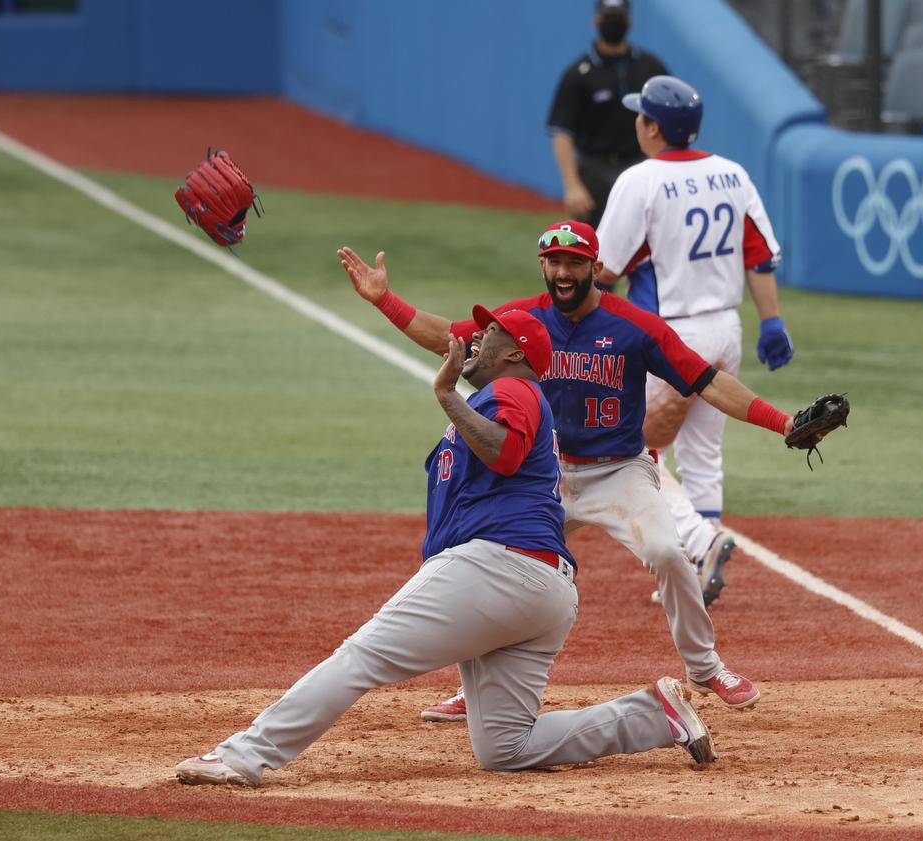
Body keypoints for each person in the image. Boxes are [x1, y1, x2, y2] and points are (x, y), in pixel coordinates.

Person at [175, 305, 718, 785]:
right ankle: (652, 717)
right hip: (541, 589)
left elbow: (504, 453)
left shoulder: (515, 391)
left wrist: (445, 395)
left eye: (492, 332)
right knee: (506, 747)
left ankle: (244, 756)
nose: (477, 337)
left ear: (515, 355)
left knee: (362, 655)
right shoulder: (499, 395)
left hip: (498, 568)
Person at [339, 221, 807, 725]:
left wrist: (782, 423)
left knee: (668, 553)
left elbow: (709, 382)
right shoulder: (521, 320)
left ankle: (705, 667)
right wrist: (384, 300)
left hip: (620, 472)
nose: (563, 272)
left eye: (575, 263)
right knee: (490, 562)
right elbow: (448, 339)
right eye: (554, 262)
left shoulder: (635, 326)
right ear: (543, 265)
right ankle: (471, 688)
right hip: (545, 476)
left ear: (595, 268)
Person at [595, 75, 794, 607]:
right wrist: (771, 321)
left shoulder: (640, 180)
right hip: (726, 328)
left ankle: (701, 541)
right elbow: (759, 253)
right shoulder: (732, 173)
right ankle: (696, 567)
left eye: (641, 116)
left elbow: (605, 269)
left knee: (627, 448)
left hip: (672, 335)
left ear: (653, 127)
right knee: (702, 451)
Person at [548, 0, 668, 227]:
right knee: (595, 247)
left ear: (629, 22)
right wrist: (572, 185)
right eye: (609, 19)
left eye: (618, 19)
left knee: (647, 241)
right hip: (595, 171)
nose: (614, 25)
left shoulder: (651, 67)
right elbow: (562, 133)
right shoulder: (579, 73)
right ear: (596, 21)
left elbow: (669, 123)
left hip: (640, 164)